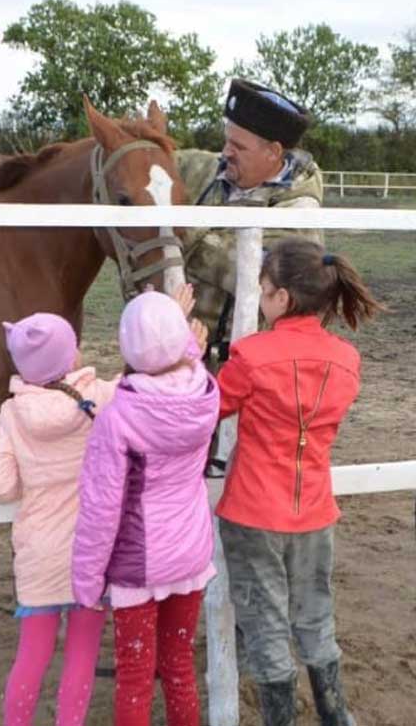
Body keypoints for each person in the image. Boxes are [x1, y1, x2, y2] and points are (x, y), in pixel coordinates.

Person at [215, 240, 385, 726]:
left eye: (264, 291)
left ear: (282, 298)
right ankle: (335, 714)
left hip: (252, 511)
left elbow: (213, 407)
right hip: (312, 508)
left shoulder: (250, 355)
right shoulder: (346, 358)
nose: (262, 298)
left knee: (264, 622)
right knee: (314, 613)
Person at [72, 288, 218, 726]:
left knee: (135, 676)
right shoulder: (206, 393)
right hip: (190, 556)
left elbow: (100, 509)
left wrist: (86, 583)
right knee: (178, 667)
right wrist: (177, 329)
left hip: (140, 566)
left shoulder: (119, 418)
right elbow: (181, 366)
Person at [0, 312, 118, 726]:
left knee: (32, 656)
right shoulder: (102, 397)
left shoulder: (13, 414)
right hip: (92, 552)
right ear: (72, 356)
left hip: (39, 555)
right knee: (82, 657)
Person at [176, 78, 322, 364]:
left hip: (249, 369)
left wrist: (182, 233)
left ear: (274, 152)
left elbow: (258, 276)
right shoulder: (203, 168)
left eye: (238, 146)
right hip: (182, 359)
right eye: (226, 140)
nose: (226, 152)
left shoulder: (300, 210)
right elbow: (144, 159)